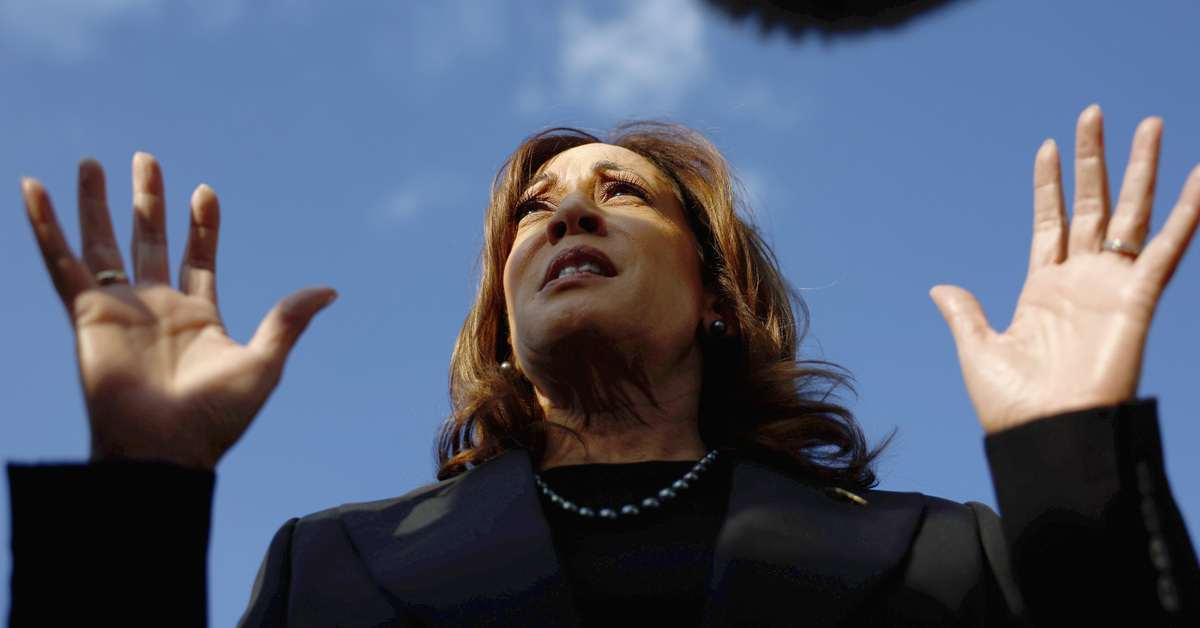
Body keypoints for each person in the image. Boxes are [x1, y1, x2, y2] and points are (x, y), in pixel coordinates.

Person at [8, 106, 1200, 626]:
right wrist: (141, 485)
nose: (567, 215)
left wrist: (1072, 447)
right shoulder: (326, 568)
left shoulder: (947, 555)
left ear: (719, 297)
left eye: (618, 193)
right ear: (501, 325)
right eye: (534, 211)